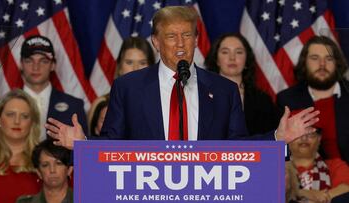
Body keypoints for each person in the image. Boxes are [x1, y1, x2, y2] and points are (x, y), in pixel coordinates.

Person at [45, 6, 319, 149]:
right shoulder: (128, 87)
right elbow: (114, 143)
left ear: (197, 40)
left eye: (187, 35)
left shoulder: (224, 90)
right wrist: (84, 145)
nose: (180, 44)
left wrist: (276, 138)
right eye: (171, 36)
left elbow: (236, 148)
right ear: (155, 40)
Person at [277, 36, 349, 164]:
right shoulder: (287, 100)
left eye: (329, 58)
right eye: (315, 58)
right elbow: (278, 151)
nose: (322, 64)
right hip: (302, 178)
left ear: (337, 63)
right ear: (304, 62)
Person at [205, 33, 280, 135]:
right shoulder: (202, 95)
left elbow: (271, 139)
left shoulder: (262, 100)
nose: (232, 58)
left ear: (246, 60)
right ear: (216, 60)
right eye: (225, 52)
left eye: (239, 52)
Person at [20, 35, 88, 141]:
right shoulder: (5, 105)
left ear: (53, 65)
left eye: (43, 61)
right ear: (21, 64)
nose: (36, 67)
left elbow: (84, 151)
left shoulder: (74, 106)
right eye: (29, 61)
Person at [87, 37, 156, 137]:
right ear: (119, 67)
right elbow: (91, 147)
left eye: (142, 63)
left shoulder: (163, 101)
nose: (135, 69)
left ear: (152, 67)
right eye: (129, 62)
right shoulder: (100, 104)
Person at [0, 89, 41, 203]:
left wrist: (82, 143)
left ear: (32, 122)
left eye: (24, 116)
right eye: (10, 114)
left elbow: (87, 196)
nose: (17, 121)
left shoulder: (45, 159)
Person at [288, 127, 349, 202]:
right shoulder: (278, 168)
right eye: (298, 133)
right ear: (288, 138)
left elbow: (346, 189)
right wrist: (301, 193)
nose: (304, 138)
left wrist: (317, 198)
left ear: (319, 137)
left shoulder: (335, 165)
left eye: (310, 133)